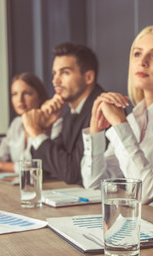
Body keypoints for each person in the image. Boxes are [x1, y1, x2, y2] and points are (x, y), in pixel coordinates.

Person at [80, 25, 153, 209]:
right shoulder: (135, 117)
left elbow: (146, 191)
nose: (143, 62)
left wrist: (119, 124)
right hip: (134, 220)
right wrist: (95, 130)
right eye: (137, 54)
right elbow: (94, 185)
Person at [22, 42, 104, 185]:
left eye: (65, 72)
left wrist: (35, 132)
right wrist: (45, 130)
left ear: (89, 77)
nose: (55, 80)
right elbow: (45, 170)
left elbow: (72, 172)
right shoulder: (70, 114)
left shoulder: (102, 108)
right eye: (54, 73)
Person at [0, 72, 62, 174]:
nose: (20, 100)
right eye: (14, 94)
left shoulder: (55, 124)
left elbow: (38, 167)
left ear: (39, 96)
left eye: (27, 93)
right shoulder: (16, 124)